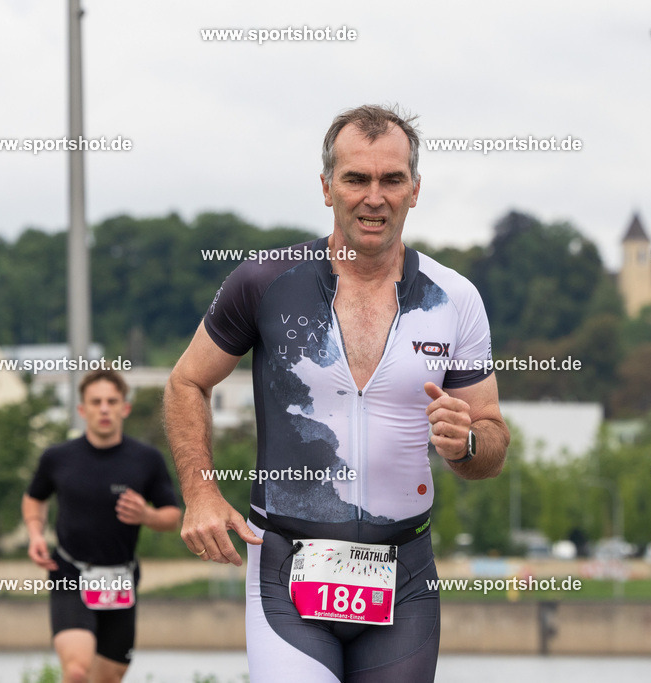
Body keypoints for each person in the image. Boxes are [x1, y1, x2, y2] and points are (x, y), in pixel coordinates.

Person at [164, 104, 509, 682]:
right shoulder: (265, 282)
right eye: (356, 179)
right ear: (327, 188)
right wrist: (200, 491)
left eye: (391, 179)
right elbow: (186, 381)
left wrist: (468, 444)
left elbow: (491, 443)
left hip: (403, 576)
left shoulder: (455, 298)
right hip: (286, 565)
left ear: (415, 189)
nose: (374, 197)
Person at [23, 369, 181, 683]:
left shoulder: (147, 459)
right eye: (96, 402)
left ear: (125, 407)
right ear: (82, 410)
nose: (104, 409)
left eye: (112, 401)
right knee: (77, 670)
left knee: (107, 679)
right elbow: (34, 498)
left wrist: (147, 516)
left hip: (120, 577)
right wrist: (35, 533)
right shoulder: (57, 457)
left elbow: (172, 516)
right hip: (70, 573)